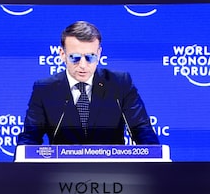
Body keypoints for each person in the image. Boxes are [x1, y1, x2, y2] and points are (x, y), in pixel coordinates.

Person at [16, 20, 159, 146]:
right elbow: (29, 138)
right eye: (75, 57)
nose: (83, 65)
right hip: (61, 172)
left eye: (90, 57)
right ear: (62, 54)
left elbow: (142, 130)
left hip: (113, 172)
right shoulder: (45, 89)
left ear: (99, 54)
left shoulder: (119, 83)